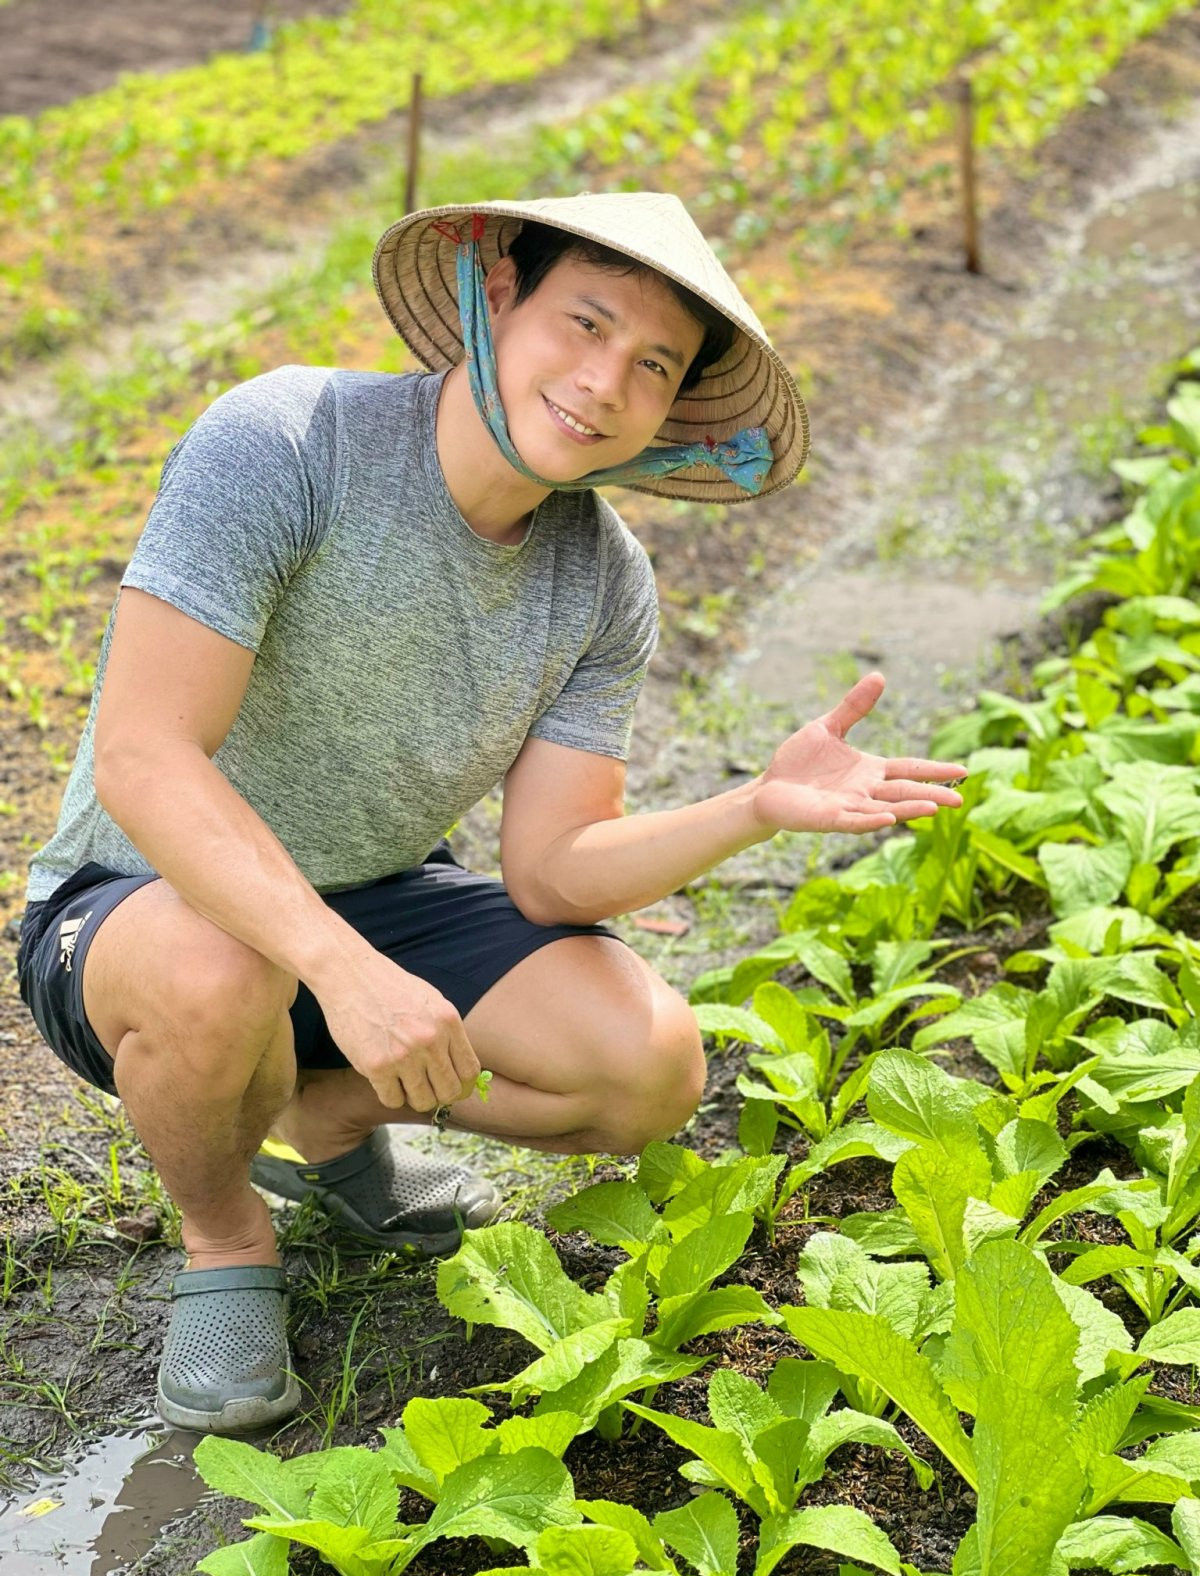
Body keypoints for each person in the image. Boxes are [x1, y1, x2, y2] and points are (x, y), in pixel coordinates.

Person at [15, 192, 967, 1434]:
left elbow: (554, 870)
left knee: (647, 1064)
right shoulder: (289, 440)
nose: (602, 380)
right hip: (139, 908)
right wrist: (341, 971)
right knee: (217, 971)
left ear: (671, 408)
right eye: (585, 322)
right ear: (497, 295)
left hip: (372, 896)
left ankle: (329, 1113)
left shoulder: (602, 576)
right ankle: (227, 1233)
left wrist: (754, 807)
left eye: (652, 365)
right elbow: (145, 756)